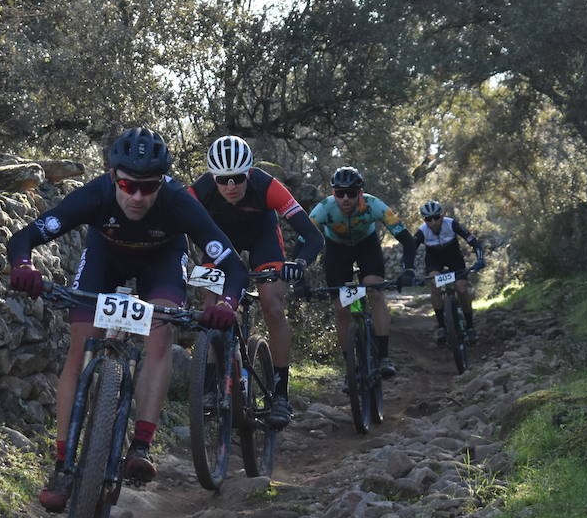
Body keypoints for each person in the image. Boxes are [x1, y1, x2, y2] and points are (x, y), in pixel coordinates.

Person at [7, 127, 245, 512]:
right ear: (113, 177)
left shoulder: (179, 202)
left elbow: (233, 266)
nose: (136, 196)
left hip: (161, 264)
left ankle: (141, 444)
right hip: (104, 259)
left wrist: (228, 305)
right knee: (80, 347)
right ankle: (63, 465)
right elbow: (24, 237)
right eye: (127, 185)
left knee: (160, 334)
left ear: (161, 182)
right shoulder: (95, 194)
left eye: (148, 187)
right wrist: (23, 265)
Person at [187, 135, 323, 428]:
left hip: (262, 240)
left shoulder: (268, 186)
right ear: (213, 177)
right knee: (210, 307)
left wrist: (298, 264)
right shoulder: (199, 191)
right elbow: (172, 226)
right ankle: (211, 384)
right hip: (220, 243)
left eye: (237, 178)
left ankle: (281, 394)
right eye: (223, 180)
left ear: (248, 172)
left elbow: (313, 236)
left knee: (272, 306)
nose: (231, 186)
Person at [308, 166, 418, 377]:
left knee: (375, 293)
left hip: (366, 246)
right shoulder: (323, 208)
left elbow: (406, 239)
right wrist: (300, 277)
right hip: (337, 250)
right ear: (333, 194)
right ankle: (350, 366)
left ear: (361, 192)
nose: (346, 198)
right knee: (341, 308)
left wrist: (409, 269)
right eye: (340, 193)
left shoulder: (374, 205)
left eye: (352, 193)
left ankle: (384, 356)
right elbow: (303, 240)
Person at [416, 200, 486, 344]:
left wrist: (480, 258)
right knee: (434, 285)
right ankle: (441, 326)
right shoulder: (422, 231)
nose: (433, 222)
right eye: (429, 219)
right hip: (434, 260)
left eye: (436, 217)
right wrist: (408, 270)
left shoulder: (452, 224)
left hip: (454, 258)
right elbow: (409, 251)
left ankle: (470, 326)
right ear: (424, 220)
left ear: (442, 216)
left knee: (461, 288)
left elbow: (473, 241)